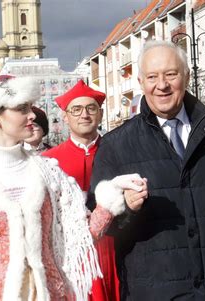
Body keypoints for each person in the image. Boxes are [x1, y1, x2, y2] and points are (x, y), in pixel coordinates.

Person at [0, 75, 142, 300]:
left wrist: (110, 197)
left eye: (30, 107)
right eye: (22, 109)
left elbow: (82, 236)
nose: (32, 114)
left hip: (51, 293)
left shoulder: (49, 172)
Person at [89, 40, 205, 300]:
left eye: (171, 74)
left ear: (186, 77)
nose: (162, 85)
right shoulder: (115, 145)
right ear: (141, 82)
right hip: (155, 290)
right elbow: (101, 225)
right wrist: (129, 210)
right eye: (153, 76)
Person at [43, 79, 120, 301]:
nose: (84, 115)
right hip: (71, 256)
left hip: (117, 250)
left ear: (100, 114)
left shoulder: (119, 152)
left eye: (90, 108)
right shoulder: (48, 161)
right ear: (65, 117)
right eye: (76, 109)